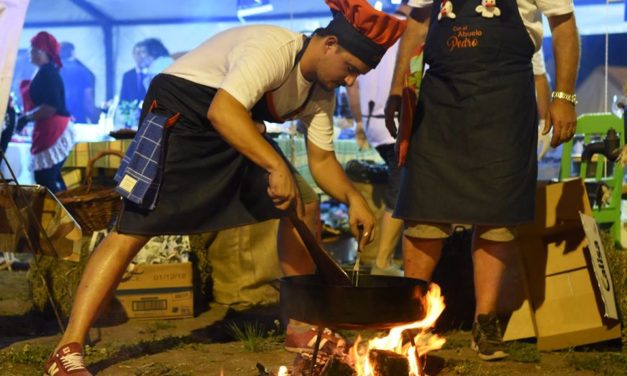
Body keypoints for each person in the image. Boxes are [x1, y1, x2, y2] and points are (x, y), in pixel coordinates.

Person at [44, 0, 405, 374]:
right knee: (134, 228)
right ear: (329, 43)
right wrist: (271, 165)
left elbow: (323, 161)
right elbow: (222, 111)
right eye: (350, 69)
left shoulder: (321, 94)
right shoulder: (274, 49)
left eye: (357, 75)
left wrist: (352, 198)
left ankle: (301, 327)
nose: (350, 82)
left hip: (233, 122)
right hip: (183, 114)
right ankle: (67, 348)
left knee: (305, 203)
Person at [385, 0, 579, 361]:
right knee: (424, 205)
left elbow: (564, 25)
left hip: (504, 99)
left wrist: (563, 97)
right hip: (439, 98)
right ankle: (409, 320)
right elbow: (416, 24)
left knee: (498, 210)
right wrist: (399, 89)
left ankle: (484, 323)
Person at [345, 0, 412, 277]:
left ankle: (386, 260)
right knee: (401, 189)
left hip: (376, 124)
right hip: (395, 123)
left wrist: (360, 123)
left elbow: (352, 86)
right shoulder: (411, 32)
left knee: (401, 186)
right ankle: (383, 262)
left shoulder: (378, 32)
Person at [17, 31, 74, 193]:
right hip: (49, 127)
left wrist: (26, 117)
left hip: (54, 129)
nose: (30, 53)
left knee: (45, 178)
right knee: (47, 178)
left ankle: (55, 213)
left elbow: (50, 107)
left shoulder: (47, 73)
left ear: (43, 53)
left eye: (34, 49)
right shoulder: (44, 72)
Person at [59, 42, 98, 123]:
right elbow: (88, 99)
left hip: (56, 121)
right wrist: (94, 119)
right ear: (72, 53)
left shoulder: (51, 71)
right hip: (77, 119)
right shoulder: (82, 71)